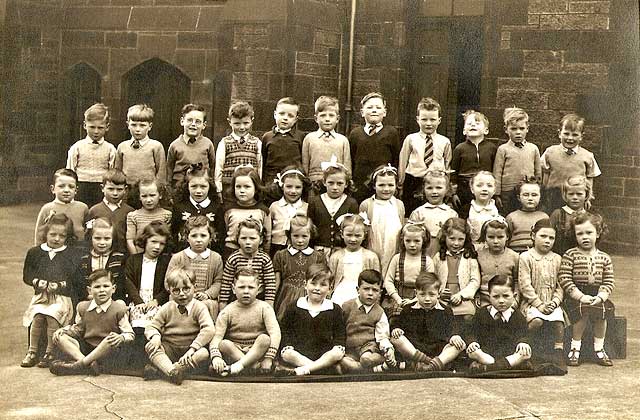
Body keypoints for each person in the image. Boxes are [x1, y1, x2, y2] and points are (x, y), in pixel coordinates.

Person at [49, 270, 134, 376]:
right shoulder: (83, 307)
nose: (102, 290)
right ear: (89, 290)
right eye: (97, 287)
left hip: (108, 351)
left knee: (110, 338)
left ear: (113, 289)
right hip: (88, 349)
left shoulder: (119, 309)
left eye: (106, 286)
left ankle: (78, 366)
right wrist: (64, 330)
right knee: (60, 337)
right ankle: (87, 362)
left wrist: (121, 337)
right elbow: (78, 329)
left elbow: (130, 334)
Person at [21, 214, 80, 368]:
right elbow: (27, 275)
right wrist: (37, 282)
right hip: (41, 297)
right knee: (38, 316)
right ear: (45, 233)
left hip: (61, 298)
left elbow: (75, 279)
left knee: (52, 316)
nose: (56, 239)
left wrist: (60, 286)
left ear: (67, 237)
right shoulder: (35, 253)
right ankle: (32, 351)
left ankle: (50, 352)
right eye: (53, 234)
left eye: (62, 236)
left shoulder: (71, 254)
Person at [559, 212, 615, 367]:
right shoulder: (570, 255)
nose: (585, 237)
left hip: (597, 294)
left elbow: (608, 281)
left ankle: (599, 348)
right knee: (582, 311)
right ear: (574, 235)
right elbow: (564, 278)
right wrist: (579, 295)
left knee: (602, 312)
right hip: (577, 294)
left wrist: (601, 296)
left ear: (598, 233)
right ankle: (575, 347)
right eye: (580, 233)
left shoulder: (604, 257)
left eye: (589, 232)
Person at [144, 268, 215, 385]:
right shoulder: (167, 307)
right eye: (176, 290)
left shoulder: (199, 307)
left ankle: (169, 370)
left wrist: (193, 349)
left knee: (203, 353)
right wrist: (156, 337)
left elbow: (209, 329)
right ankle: (172, 371)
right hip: (170, 348)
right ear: (170, 291)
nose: (182, 294)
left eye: (186, 289)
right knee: (150, 347)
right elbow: (152, 327)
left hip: (190, 350)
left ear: (194, 287)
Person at [209, 268, 281, 376]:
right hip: (235, 352)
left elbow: (275, 333)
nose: (246, 291)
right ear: (233, 289)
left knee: (265, 339)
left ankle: (239, 367)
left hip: (257, 352)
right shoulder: (227, 311)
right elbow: (216, 337)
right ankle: (251, 366)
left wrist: (268, 358)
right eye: (241, 287)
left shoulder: (264, 308)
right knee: (224, 344)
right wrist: (216, 357)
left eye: (251, 287)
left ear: (259, 289)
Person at [278, 264, 346, 376]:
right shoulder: (294, 306)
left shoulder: (334, 309)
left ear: (330, 288)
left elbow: (340, 336)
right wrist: (288, 347)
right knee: (287, 353)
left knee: (337, 353)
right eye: (313, 283)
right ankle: (319, 369)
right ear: (305, 285)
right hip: (299, 354)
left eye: (323, 285)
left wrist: (336, 349)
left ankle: (305, 369)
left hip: (324, 355)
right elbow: (285, 332)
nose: (317, 288)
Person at [390, 272, 465, 372]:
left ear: (439, 294)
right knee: (396, 338)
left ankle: (429, 365)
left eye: (432, 294)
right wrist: (396, 329)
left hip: (438, 350)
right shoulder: (408, 309)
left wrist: (455, 335)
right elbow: (397, 323)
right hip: (415, 350)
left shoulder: (446, 310)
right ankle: (431, 363)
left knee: (460, 344)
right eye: (422, 294)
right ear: (416, 293)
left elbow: (453, 327)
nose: (427, 299)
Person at [465, 274, 532, 372]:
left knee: (525, 353)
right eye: (496, 297)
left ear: (514, 296)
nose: (501, 301)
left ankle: (489, 367)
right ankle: (503, 366)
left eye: (505, 296)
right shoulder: (482, 313)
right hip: (486, 354)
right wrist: (472, 342)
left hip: (509, 355)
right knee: (473, 352)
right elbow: (470, 332)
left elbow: (524, 334)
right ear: (489, 296)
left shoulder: (518, 316)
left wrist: (523, 342)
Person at [518, 219, 564, 355]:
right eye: (543, 236)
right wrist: (539, 304)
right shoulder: (526, 257)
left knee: (558, 323)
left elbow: (561, 285)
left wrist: (554, 303)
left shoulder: (557, 259)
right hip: (532, 302)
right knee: (536, 321)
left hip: (551, 302)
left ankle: (558, 351)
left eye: (551, 238)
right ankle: (525, 345)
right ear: (533, 236)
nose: (547, 241)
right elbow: (524, 285)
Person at [398, 97, 452, 213]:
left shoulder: (445, 141)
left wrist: (447, 187)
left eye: (432, 120)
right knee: (412, 211)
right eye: (424, 119)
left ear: (439, 120)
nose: (428, 123)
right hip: (413, 181)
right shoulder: (411, 139)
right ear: (418, 119)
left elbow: (447, 165)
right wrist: (400, 184)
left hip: (435, 182)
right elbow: (403, 163)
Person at [339, 270, 397, 373]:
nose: (370, 293)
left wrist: (388, 349)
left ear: (380, 292)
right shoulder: (346, 306)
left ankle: (382, 360)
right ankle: (374, 369)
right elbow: (339, 328)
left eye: (375, 290)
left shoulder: (379, 312)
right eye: (366, 289)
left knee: (366, 359)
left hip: (368, 348)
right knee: (341, 362)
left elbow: (382, 336)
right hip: (350, 349)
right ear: (358, 289)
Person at [541, 113, 601, 213]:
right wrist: (544, 194)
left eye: (575, 135)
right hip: (553, 197)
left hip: (575, 197)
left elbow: (590, 177)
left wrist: (588, 197)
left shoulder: (587, 156)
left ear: (581, 136)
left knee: (573, 222)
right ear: (559, 133)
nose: (570, 138)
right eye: (566, 133)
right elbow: (545, 174)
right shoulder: (550, 152)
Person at [167, 215, 224, 317]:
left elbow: (218, 281)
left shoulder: (216, 258)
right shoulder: (178, 258)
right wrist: (185, 293)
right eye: (194, 236)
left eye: (203, 236)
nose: (198, 240)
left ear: (210, 238)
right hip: (181, 297)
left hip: (205, 300)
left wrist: (207, 294)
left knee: (208, 305)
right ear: (186, 238)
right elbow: (168, 282)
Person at [349, 92, 400, 203]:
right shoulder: (355, 134)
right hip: (360, 186)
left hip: (383, 185)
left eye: (378, 107)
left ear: (384, 112)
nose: (374, 110)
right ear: (362, 112)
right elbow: (351, 159)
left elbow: (396, 159)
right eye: (370, 107)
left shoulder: (391, 133)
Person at [273, 215, 326, 320]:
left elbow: (322, 280)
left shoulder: (318, 256)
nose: (300, 240)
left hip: (310, 294)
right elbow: (276, 281)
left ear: (311, 235)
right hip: (286, 295)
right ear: (289, 235)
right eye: (296, 236)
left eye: (304, 236)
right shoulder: (281, 255)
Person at [123, 221, 172, 330]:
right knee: (137, 325)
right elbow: (128, 282)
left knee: (156, 325)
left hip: (157, 302)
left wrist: (156, 300)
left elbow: (168, 286)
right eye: (153, 242)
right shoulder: (133, 260)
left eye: (162, 244)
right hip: (137, 301)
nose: (157, 247)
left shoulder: (166, 262)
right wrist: (138, 301)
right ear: (145, 241)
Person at [493, 107, 541, 215]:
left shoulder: (533, 148)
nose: (518, 132)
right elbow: (497, 172)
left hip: (527, 191)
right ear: (506, 129)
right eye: (514, 129)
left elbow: (538, 172)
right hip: (507, 192)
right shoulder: (503, 149)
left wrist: (537, 188)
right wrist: (497, 194)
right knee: (508, 215)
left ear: (527, 128)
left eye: (521, 128)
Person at [219, 218, 277, 310]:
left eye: (252, 238)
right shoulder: (233, 259)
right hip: (237, 300)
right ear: (237, 239)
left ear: (261, 240)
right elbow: (225, 285)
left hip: (259, 300)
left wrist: (268, 307)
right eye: (243, 238)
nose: (248, 242)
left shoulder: (264, 259)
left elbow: (270, 286)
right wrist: (223, 308)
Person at [66, 103, 116, 206]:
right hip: (81, 186)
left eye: (100, 128)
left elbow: (112, 172)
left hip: (101, 188)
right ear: (85, 125)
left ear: (107, 127)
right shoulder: (77, 147)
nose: (96, 131)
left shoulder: (110, 149)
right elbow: (70, 171)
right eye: (92, 127)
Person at [307, 159, 359, 258]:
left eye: (339, 183)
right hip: (319, 250)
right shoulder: (315, 202)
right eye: (331, 183)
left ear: (346, 184)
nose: (335, 187)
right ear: (324, 182)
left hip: (342, 251)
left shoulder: (351, 203)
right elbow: (310, 228)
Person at [433, 218, 479, 327]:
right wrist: (440, 292)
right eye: (452, 239)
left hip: (462, 297)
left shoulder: (469, 258)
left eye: (460, 239)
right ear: (445, 238)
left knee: (468, 316)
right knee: (440, 316)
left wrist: (461, 295)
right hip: (443, 298)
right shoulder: (438, 257)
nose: (456, 243)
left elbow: (475, 281)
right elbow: (432, 278)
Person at [359, 164, 404, 276]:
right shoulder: (367, 204)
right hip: (374, 244)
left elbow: (401, 228)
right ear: (374, 186)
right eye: (381, 185)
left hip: (392, 245)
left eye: (390, 185)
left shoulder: (399, 204)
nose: (386, 189)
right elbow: (362, 230)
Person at [451, 110, 497, 218]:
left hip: (484, 187)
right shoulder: (459, 148)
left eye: (477, 123)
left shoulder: (492, 148)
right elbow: (453, 172)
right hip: (464, 189)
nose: (473, 125)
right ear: (463, 130)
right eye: (469, 123)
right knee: (465, 215)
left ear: (486, 130)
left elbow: (495, 170)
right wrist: (453, 193)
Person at [383, 222, 434, 318]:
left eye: (417, 241)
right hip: (398, 296)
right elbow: (388, 281)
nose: (412, 245)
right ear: (403, 241)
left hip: (419, 298)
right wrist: (397, 298)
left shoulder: (427, 261)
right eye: (408, 241)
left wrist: (415, 300)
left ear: (424, 241)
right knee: (395, 320)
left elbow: (429, 284)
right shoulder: (397, 258)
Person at [215, 101, 262, 203]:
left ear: (252, 121)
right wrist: (218, 189)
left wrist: (258, 188)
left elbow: (260, 167)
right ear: (229, 122)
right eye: (237, 123)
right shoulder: (224, 143)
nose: (241, 127)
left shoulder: (257, 143)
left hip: (249, 190)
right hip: (229, 190)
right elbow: (218, 168)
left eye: (245, 123)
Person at [171, 164, 224, 253]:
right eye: (194, 186)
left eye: (203, 186)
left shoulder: (216, 207)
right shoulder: (179, 207)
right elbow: (173, 233)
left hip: (210, 256)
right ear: (187, 186)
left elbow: (221, 234)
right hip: (183, 255)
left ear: (209, 186)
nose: (198, 191)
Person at [328, 213, 380, 305]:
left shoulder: (371, 257)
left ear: (364, 235)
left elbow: (377, 281)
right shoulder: (336, 257)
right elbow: (330, 280)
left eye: (357, 236)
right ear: (342, 234)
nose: (353, 239)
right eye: (349, 235)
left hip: (362, 293)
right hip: (341, 292)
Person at [222, 165, 271, 259]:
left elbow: (267, 237)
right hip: (231, 252)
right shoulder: (228, 210)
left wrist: (266, 255)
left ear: (256, 188)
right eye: (238, 187)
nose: (242, 191)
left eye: (247, 187)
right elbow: (224, 232)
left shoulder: (263, 210)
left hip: (256, 254)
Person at [261, 97, 305, 203]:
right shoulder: (267, 137)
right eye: (282, 114)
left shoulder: (300, 137)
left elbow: (303, 160)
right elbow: (263, 160)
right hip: (271, 183)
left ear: (296, 119)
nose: (285, 118)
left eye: (290, 116)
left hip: (292, 182)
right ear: (275, 114)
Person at [302, 96, 351, 186]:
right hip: (314, 184)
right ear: (316, 118)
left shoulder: (343, 140)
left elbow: (347, 168)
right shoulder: (309, 138)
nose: (327, 119)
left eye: (331, 115)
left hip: (335, 184)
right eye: (323, 115)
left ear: (337, 119)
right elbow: (305, 166)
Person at [115, 104, 166, 187]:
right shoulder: (122, 147)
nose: (137, 129)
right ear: (128, 125)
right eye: (134, 125)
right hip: (127, 189)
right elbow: (117, 172)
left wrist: (156, 189)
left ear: (150, 126)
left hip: (148, 191)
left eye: (142, 125)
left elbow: (161, 172)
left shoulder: (156, 146)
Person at [409, 169, 458, 256]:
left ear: (446, 189)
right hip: (423, 252)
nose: (434, 192)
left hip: (443, 253)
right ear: (423, 189)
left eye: (439, 188)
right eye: (429, 188)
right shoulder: (418, 212)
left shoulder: (451, 214)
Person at [34, 168, 89, 246]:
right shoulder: (47, 208)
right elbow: (39, 234)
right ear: (53, 189)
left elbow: (88, 232)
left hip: (78, 251)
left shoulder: (83, 208)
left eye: (71, 187)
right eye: (61, 186)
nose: (66, 190)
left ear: (76, 190)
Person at [166, 103, 215, 189]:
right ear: (182, 121)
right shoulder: (175, 145)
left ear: (204, 125)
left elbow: (213, 167)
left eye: (198, 121)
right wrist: (169, 189)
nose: (193, 124)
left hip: (200, 187)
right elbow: (169, 169)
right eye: (189, 120)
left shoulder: (208, 144)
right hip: (179, 187)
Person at [77, 218, 126, 302]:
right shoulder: (84, 259)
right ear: (91, 238)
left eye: (107, 239)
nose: (102, 242)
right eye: (97, 238)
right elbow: (80, 282)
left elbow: (121, 283)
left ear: (113, 239)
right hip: (90, 299)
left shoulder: (119, 258)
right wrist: (87, 296)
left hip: (113, 300)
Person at [86, 169, 133, 253]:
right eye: (111, 189)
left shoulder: (130, 211)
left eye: (119, 189)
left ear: (125, 189)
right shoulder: (94, 210)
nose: (115, 193)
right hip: (100, 254)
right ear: (102, 188)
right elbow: (89, 236)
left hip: (122, 255)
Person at [476, 217, 520, 309]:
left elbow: (517, 281)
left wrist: (515, 299)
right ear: (485, 237)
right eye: (491, 237)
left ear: (507, 237)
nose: (495, 241)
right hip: (485, 300)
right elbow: (475, 279)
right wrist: (477, 296)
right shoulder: (479, 255)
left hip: (507, 300)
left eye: (500, 237)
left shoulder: (514, 256)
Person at [269, 166, 310, 257]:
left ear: (303, 188)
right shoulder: (274, 206)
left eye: (298, 187)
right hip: (276, 247)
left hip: (299, 248)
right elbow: (268, 230)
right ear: (282, 186)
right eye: (289, 186)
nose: (293, 191)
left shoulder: (306, 207)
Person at [126, 178, 172, 255]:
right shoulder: (133, 216)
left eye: (152, 195)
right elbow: (130, 240)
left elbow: (167, 240)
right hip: (139, 256)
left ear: (160, 195)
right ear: (139, 197)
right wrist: (136, 259)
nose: (148, 200)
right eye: (144, 196)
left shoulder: (167, 215)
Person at [549, 175, 590, 256]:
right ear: (565, 195)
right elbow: (549, 235)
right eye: (571, 194)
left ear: (586, 195)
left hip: (581, 258)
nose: (575, 197)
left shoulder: (589, 217)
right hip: (560, 256)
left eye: (579, 194)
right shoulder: (557, 214)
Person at [506, 179, 548, 253]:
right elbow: (506, 239)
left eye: (534, 195)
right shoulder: (511, 217)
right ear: (519, 197)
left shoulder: (544, 217)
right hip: (516, 253)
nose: (530, 198)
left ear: (540, 198)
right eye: (526, 195)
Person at [465, 171, 500, 248]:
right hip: (472, 249)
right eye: (479, 185)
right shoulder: (466, 210)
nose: (484, 189)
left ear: (494, 190)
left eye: (489, 186)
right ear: (472, 189)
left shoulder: (498, 209)